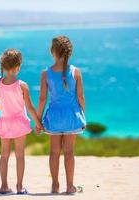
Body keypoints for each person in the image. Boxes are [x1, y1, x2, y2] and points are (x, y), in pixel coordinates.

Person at [37, 36, 86, 194]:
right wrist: (82, 116)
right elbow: (81, 97)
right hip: (72, 117)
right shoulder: (76, 72)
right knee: (70, 152)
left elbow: (43, 99)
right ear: (69, 53)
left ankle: (55, 185)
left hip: (54, 118)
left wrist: (38, 120)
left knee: (54, 152)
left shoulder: (46, 73)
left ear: (53, 52)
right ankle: (70, 186)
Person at [0, 49, 43, 194]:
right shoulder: (22, 85)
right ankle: (20, 187)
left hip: (5, 123)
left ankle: (3, 186)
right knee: (20, 155)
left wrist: (4, 106)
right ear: (18, 67)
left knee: (4, 155)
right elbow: (30, 107)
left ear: (4, 66)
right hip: (19, 123)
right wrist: (38, 123)